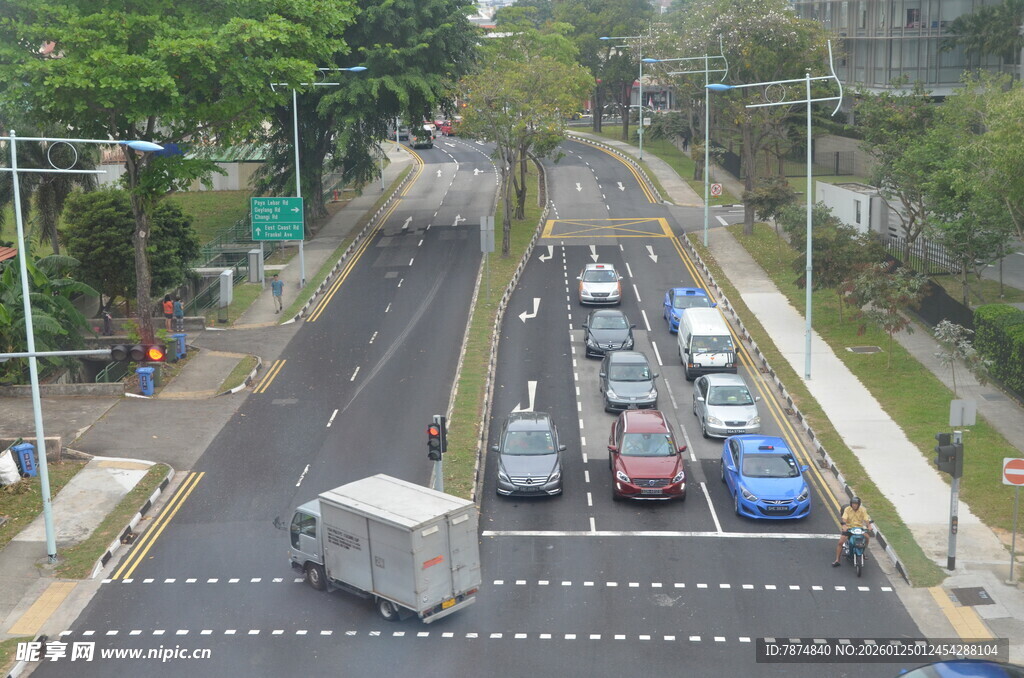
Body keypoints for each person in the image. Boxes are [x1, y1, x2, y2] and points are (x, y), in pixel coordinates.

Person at [833, 496, 873, 566]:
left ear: (859, 504)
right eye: (853, 503)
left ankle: (863, 551)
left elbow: (866, 518)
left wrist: (869, 526)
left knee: (867, 537)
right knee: (840, 542)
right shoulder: (847, 509)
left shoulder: (863, 510)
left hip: (859, 528)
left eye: (856, 504)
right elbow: (844, 518)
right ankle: (837, 560)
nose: (854, 505)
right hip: (849, 528)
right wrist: (844, 525)